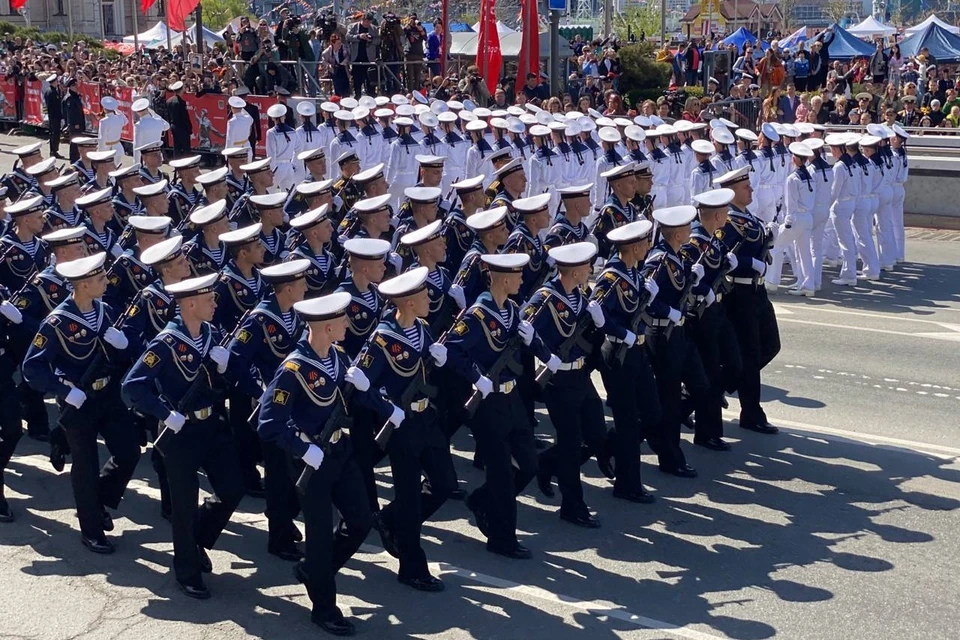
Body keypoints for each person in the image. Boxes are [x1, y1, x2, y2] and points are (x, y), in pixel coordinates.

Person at [122, 272, 245, 599]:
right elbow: (132, 387)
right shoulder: (165, 343)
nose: (215, 304)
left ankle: (197, 539)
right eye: (209, 299)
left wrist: (224, 368)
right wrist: (164, 414)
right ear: (189, 304)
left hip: (213, 426)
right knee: (184, 504)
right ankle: (187, 570)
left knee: (233, 488)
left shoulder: (211, 334)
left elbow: (225, 382)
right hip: (180, 431)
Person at [257, 291, 373, 635]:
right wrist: (301, 447)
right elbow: (268, 422)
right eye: (341, 320)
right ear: (325, 327)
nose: (347, 324)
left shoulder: (336, 355)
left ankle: (315, 571)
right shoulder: (293, 369)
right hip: (312, 461)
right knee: (320, 535)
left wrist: (362, 388)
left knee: (361, 521)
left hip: (341, 453)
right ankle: (324, 608)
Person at [23, 251, 141, 554]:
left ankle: (97, 500)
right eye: (100, 279)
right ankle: (91, 530)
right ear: (84, 284)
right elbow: (32, 368)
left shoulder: (105, 311)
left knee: (129, 451)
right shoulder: (57, 322)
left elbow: (120, 355)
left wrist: (122, 345)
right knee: (86, 466)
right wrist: (62, 390)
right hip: (78, 400)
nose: (106, 282)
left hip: (108, 395)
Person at [353, 266, 456, 592]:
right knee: (411, 497)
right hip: (401, 426)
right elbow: (361, 386)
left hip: (427, 419)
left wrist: (438, 358)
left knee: (444, 483)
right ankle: (412, 567)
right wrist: (388, 410)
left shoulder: (422, 329)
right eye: (424, 295)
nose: (429, 299)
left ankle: (389, 519)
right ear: (409, 302)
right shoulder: (382, 340)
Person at [525, 242, 609, 527]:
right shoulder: (546, 298)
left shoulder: (580, 297)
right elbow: (525, 332)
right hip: (558, 380)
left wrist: (600, 323)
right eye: (586, 266)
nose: (590, 270)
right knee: (571, 443)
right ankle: (573, 506)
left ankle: (547, 463)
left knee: (597, 432)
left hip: (581, 375)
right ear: (573, 271)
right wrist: (546, 356)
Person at [590, 220, 660, 502]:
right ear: (632, 247)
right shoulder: (611, 278)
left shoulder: (634, 273)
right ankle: (628, 485)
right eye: (644, 243)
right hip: (618, 354)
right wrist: (622, 333)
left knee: (653, 414)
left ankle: (609, 445)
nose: (647, 247)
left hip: (637, 352)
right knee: (628, 420)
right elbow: (598, 314)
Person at [713, 166, 781, 436]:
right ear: (731, 192)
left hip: (757, 291)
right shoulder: (728, 220)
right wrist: (749, 263)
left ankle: (719, 385)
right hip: (740, 294)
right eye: (745, 187)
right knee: (750, 354)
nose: (751, 190)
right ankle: (751, 413)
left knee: (771, 345)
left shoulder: (746, 215)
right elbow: (721, 256)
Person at [347, 13, 380, 98]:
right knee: (357, 81)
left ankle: (371, 97)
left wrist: (371, 39)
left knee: (370, 82)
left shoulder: (374, 29)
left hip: (369, 59)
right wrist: (359, 37)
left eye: (369, 22)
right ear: (362, 20)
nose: (367, 23)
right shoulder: (353, 27)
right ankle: (357, 97)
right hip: (357, 58)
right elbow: (348, 37)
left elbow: (378, 41)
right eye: (365, 21)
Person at [166, 81, 192, 158]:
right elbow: (185, 117)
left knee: (176, 147)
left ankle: (177, 166)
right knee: (186, 148)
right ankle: (187, 165)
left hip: (173, 126)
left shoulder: (169, 101)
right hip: (182, 127)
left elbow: (168, 115)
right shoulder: (181, 102)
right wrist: (189, 128)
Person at [62, 79, 85, 163]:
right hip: (74, 124)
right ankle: (73, 159)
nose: (76, 87)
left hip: (78, 122)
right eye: (74, 86)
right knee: (74, 142)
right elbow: (69, 113)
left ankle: (76, 157)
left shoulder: (75, 96)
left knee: (78, 141)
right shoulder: (69, 98)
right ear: (70, 87)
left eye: (76, 85)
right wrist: (74, 124)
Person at [43, 74, 63, 159]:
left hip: (52, 116)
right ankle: (54, 151)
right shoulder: (52, 92)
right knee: (55, 134)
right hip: (55, 116)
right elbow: (55, 105)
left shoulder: (50, 90)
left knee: (53, 133)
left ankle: (53, 150)